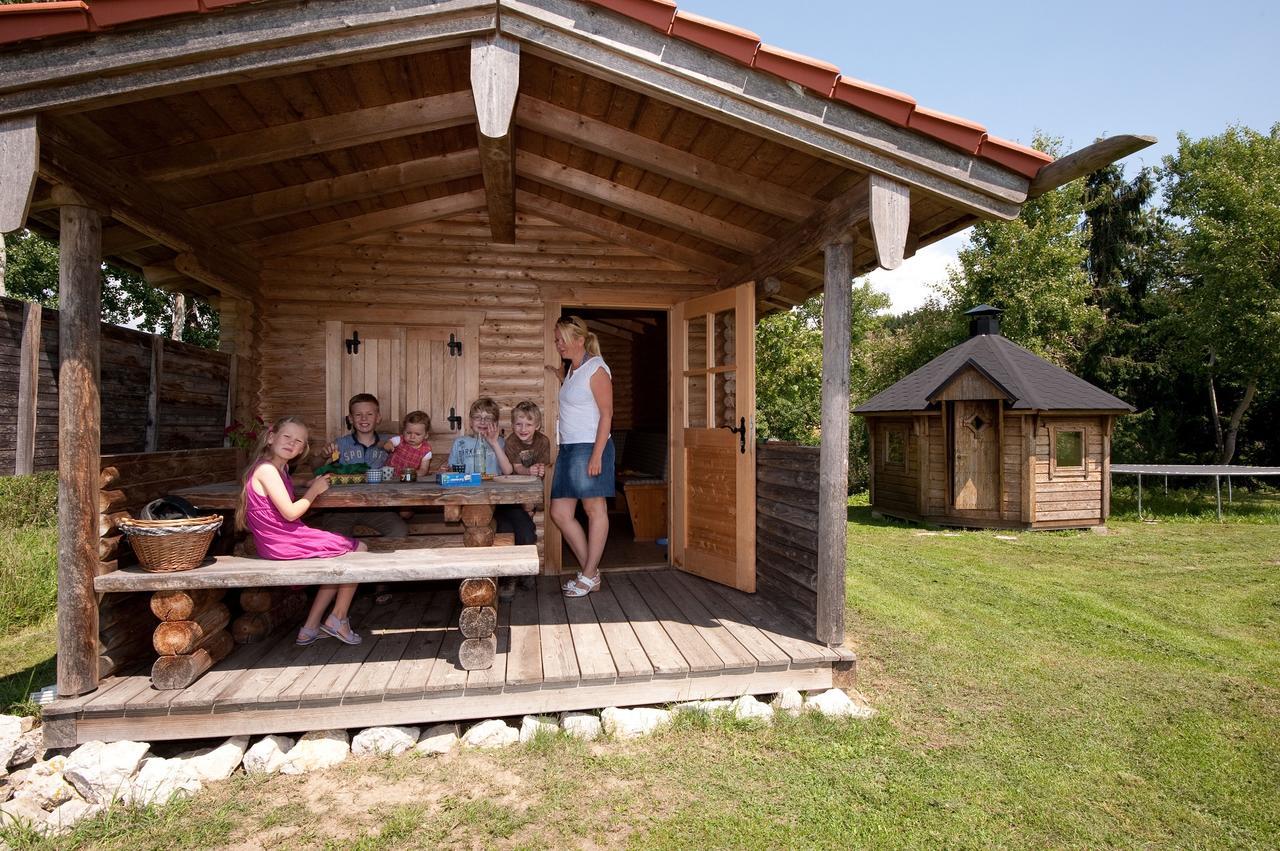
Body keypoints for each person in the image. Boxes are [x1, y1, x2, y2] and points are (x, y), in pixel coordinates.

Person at [235, 415, 366, 646]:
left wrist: (302, 485)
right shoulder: (267, 470)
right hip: (282, 542)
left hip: (278, 540)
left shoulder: (279, 468)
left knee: (337, 557)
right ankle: (338, 618)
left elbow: (276, 494)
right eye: (287, 437)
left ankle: (310, 627)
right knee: (358, 549)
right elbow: (290, 512)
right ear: (271, 437)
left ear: (303, 449)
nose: (291, 443)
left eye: (298, 441)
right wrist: (313, 490)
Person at [546, 316, 613, 597]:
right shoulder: (573, 371)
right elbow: (577, 398)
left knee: (594, 510)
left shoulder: (597, 369)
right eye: (556, 339)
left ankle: (587, 575)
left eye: (562, 339)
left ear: (579, 340)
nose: (558, 344)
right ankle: (591, 572)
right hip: (569, 449)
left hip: (589, 447)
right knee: (559, 513)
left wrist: (597, 455)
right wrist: (559, 376)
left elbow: (606, 414)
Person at [314, 392, 408, 540]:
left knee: (399, 532)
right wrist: (322, 456)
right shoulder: (340, 444)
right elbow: (314, 468)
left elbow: (408, 459)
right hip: (340, 507)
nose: (364, 418)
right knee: (335, 539)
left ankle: (373, 560)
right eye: (358, 415)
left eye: (369, 414)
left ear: (378, 418)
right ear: (351, 419)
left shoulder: (389, 443)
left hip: (377, 506)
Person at [498, 400, 552, 599]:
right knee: (506, 530)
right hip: (510, 497)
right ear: (513, 425)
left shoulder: (543, 441)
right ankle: (508, 578)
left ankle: (524, 571)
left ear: (537, 425)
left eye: (528, 424)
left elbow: (543, 468)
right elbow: (515, 469)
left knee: (527, 531)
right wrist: (529, 470)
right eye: (519, 424)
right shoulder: (511, 441)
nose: (523, 429)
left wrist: (538, 470)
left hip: (530, 495)